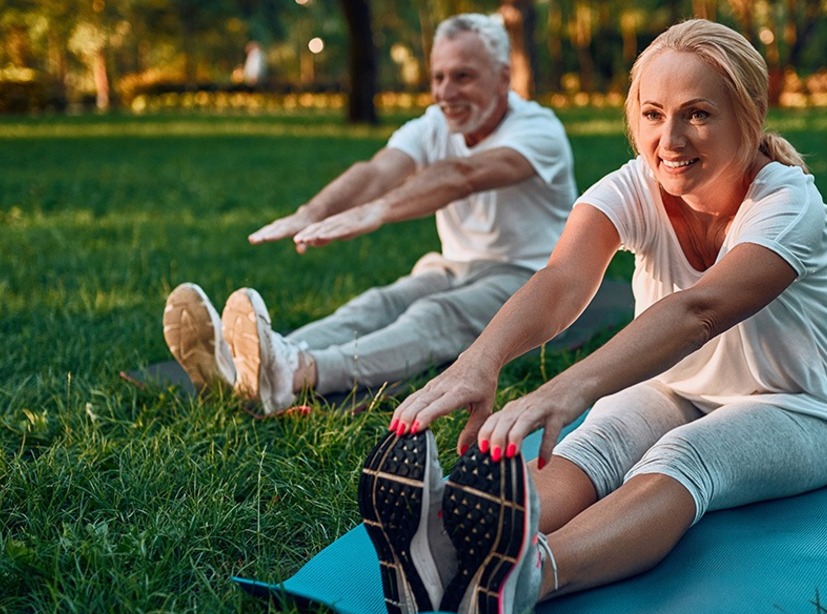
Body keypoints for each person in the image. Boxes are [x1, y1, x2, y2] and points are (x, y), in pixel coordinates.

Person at [359, 18, 827, 614]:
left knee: (686, 456)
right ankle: (452, 553)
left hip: (799, 410)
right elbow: (562, 280)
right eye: (653, 114)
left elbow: (698, 312)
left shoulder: (788, 205)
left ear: (750, 112)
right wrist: (480, 361)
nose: (670, 138)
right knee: (592, 443)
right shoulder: (637, 185)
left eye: (697, 114)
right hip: (673, 388)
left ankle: (526, 578)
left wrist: (565, 389)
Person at [162, 13, 576, 415]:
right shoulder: (434, 123)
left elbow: (463, 175)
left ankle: (298, 373)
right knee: (375, 305)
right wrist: (310, 212)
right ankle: (248, 362)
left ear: (503, 78)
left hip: (531, 274)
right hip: (453, 265)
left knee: (435, 315)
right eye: (438, 77)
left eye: (463, 76)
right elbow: (377, 171)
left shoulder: (539, 131)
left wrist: (378, 211)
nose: (445, 92)